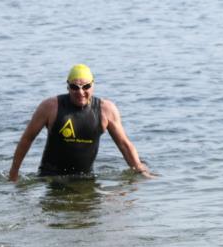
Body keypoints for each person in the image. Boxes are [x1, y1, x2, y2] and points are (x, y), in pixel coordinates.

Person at [8, 64, 149, 180]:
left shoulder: (106, 109)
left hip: (86, 178)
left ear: (93, 85)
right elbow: (27, 139)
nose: (80, 92)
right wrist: (13, 174)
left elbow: (124, 144)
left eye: (86, 86)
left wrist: (140, 169)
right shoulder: (50, 107)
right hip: (50, 177)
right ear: (68, 87)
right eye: (75, 87)